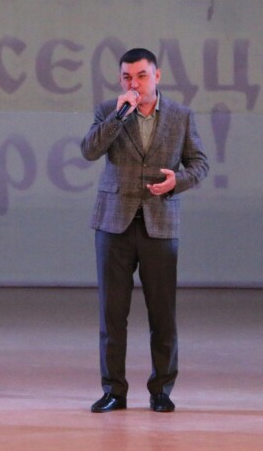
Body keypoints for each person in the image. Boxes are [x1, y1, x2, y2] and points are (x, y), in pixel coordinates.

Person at [81, 47, 209, 413]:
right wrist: (118, 116)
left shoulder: (181, 116)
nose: (134, 83)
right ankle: (113, 391)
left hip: (160, 222)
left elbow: (200, 164)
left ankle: (161, 390)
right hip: (113, 223)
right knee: (112, 315)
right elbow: (89, 150)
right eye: (127, 77)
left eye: (141, 75)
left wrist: (177, 182)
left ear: (157, 76)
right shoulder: (110, 110)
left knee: (162, 314)